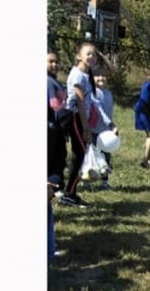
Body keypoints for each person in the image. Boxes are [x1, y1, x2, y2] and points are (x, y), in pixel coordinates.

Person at [60, 42, 99, 208]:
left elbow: (111, 70)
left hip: (80, 117)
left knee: (79, 155)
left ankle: (71, 192)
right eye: (88, 54)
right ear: (79, 56)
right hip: (75, 117)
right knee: (81, 154)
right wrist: (86, 127)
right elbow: (80, 103)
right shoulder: (77, 75)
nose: (92, 57)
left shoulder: (87, 74)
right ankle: (69, 194)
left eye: (94, 54)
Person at [90, 68, 119, 190]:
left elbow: (109, 112)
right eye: (97, 75)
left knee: (106, 156)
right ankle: (86, 181)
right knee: (90, 155)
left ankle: (104, 181)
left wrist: (111, 126)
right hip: (92, 129)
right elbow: (99, 111)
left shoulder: (108, 94)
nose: (101, 78)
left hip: (106, 131)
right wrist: (111, 124)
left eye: (104, 75)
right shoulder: (92, 93)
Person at [47, 51, 68, 192]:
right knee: (53, 158)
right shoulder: (47, 81)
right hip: (52, 128)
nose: (55, 64)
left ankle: (55, 186)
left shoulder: (55, 81)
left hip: (59, 128)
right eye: (51, 61)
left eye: (57, 62)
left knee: (59, 157)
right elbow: (54, 106)